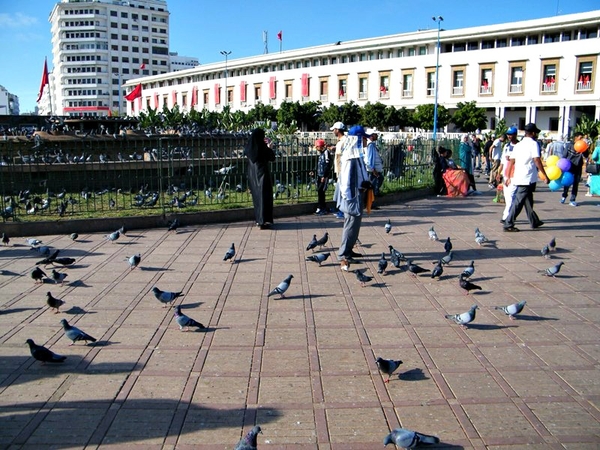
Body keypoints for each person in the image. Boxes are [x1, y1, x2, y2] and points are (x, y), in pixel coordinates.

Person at [503, 123, 549, 232]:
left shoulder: (518, 145)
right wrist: (544, 175)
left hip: (519, 175)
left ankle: (534, 221)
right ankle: (508, 223)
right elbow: (537, 159)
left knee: (528, 200)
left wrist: (508, 176)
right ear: (533, 133)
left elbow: (511, 161)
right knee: (519, 201)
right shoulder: (533, 144)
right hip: (527, 177)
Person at [337, 125, 370, 271]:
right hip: (351, 195)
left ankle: (349, 250)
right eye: (363, 138)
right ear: (357, 139)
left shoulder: (357, 155)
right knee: (350, 224)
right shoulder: (350, 157)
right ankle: (344, 254)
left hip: (357, 193)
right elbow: (345, 180)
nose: (365, 141)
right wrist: (349, 197)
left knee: (354, 224)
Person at [244, 128, 275, 229]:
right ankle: (264, 220)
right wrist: (270, 147)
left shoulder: (249, 148)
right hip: (262, 175)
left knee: (257, 199)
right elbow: (272, 157)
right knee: (265, 197)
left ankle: (259, 220)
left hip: (253, 176)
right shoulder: (262, 148)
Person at [561, 131, 589, 207]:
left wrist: (585, 149)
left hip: (578, 167)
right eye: (580, 138)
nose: (581, 139)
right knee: (567, 182)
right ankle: (564, 195)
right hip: (569, 167)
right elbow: (564, 156)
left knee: (575, 184)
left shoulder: (583, 146)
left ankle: (572, 200)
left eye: (582, 138)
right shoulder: (569, 145)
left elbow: (586, 156)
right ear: (575, 138)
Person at [498, 127, 519, 223]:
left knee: (511, 197)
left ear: (516, 134)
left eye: (511, 134)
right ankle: (510, 215)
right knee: (508, 198)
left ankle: (506, 217)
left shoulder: (519, 146)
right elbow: (502, 161)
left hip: (515, 175)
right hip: (506, 174)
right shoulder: (506, 146)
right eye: (508, 134)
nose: (509, 136)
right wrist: (498, 173)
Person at [331, 121, 347, 219]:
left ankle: (342, 211)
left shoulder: (344, 140)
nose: (333, 131)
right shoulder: (340, 141)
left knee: (342, 192)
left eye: (334, 129)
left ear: (337, 130)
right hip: (339, 171)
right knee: (340, 191)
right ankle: (339, 208)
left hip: (343, 171)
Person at [313, 139, 332, 215]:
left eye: (317, 147)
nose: (316, 149)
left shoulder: (326, 153)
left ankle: (321, 207)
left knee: (321, 191)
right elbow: (319, 164)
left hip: (323, 176)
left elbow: (327, 165)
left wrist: (324, 175)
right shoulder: (321, 154)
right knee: (320, 192)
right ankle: (322, 207)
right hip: (319, 175)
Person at [364, 128, 384, 198]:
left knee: (373, 186)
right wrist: (373, 170)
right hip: (373, 170)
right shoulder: (371, 145)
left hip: (373, 169)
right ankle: (369, 203)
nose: (377, 136)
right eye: (375, 134)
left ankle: (371, 202)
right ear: (371, 135)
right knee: (372, 187)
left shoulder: (371, 144)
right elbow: (370, 158)